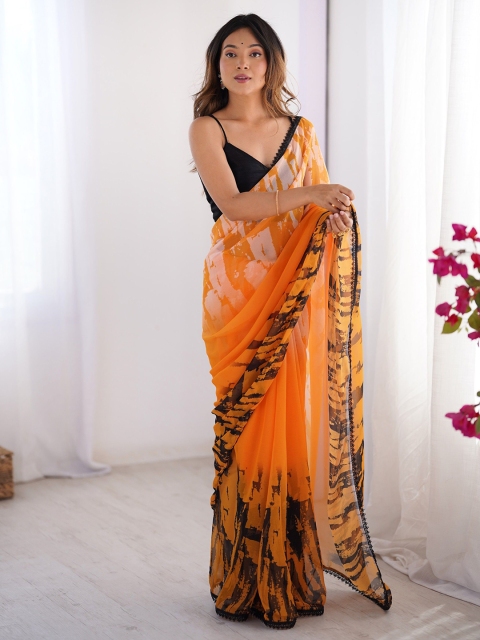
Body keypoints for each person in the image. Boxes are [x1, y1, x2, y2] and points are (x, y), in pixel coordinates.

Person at [189, 13, 392, 630]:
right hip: (237, 297)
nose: (242, 63)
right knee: (250, 427)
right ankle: (243, 580)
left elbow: (319, 207)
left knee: (292, 429)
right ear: (217, 64)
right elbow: (233, 205)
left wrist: (333, 214)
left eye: (254, 53)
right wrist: (310, 197)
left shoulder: (300, 132)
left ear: (271, 63)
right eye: (230, 53)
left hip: (295, 294)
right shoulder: (208, 127)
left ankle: (290, 574)